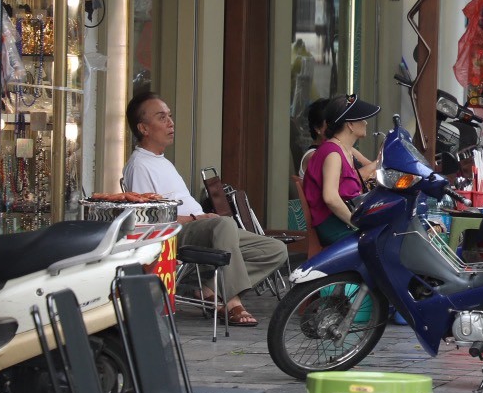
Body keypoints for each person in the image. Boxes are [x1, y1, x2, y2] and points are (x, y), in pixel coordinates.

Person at [124, 91, 290, 326]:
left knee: (274, 249)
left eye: (170, 116)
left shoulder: (161, 161)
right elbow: (149, 219)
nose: (170, 123)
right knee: (223, 223)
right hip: (177, 232)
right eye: (161, 118)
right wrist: (195, 218)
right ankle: (232, 303)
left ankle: (209, 289)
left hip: (201, 226)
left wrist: (200, 218)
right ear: (144, 128)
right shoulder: (139, 165)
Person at [303, 93, 380, 246]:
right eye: (362, 118)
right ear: (350, 125)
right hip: (335, 226)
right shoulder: (333, 153)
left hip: (340, 220)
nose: (366, 123)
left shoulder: (344, 150)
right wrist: (357, 223)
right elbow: (330, 198)